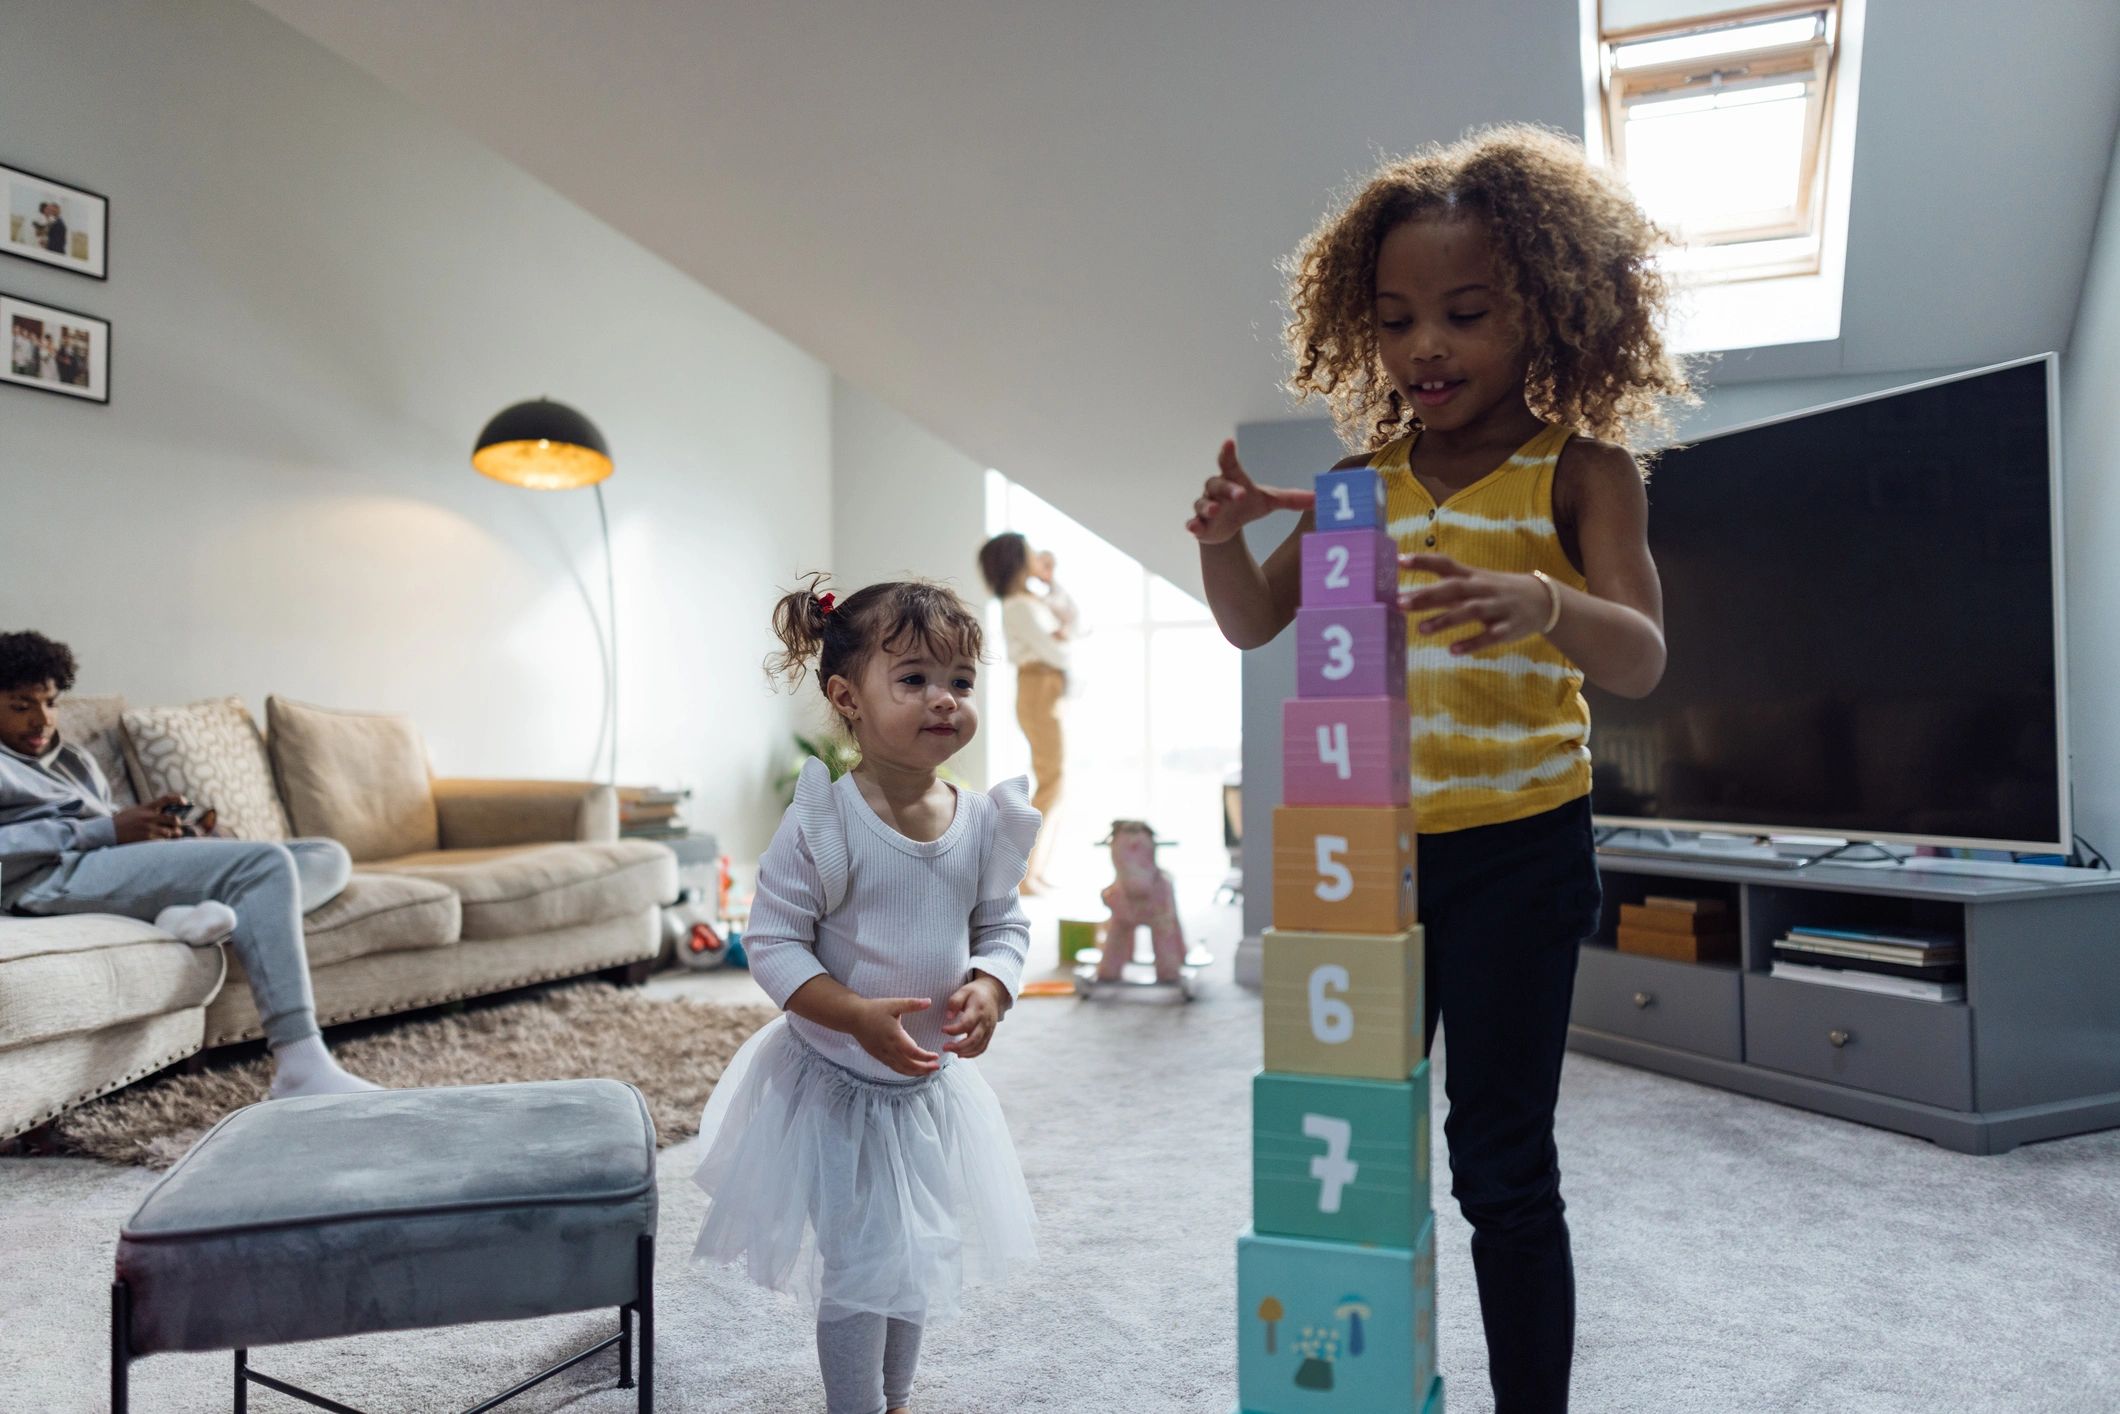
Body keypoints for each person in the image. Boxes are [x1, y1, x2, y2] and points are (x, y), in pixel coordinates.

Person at [1185, 125, 1689, 1414]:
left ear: (1544, 310)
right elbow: (1253, 625)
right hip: (1369, 858)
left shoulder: (1583, 472)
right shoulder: (1357, 483)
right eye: (1397, 318)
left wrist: (1538, 600)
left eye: (1462, 314)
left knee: (1499, 1163)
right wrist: (1221, 542)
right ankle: (1357, 1384)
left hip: (1521, 848)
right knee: (1356, 1157)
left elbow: (1636, 657)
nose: (1424, 347)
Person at [691, 577, 1040, 1414]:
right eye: (914, 679)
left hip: (926, 1086)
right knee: (859, 1263)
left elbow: (1005, 926)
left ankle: (897, 1396)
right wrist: (847, 1012)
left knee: (918, 1249)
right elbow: (771, 940)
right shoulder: (827, 822)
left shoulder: (981, 822)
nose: (944, 701)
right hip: (837, 1087)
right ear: (847, 697)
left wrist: (993, 986)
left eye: (960, 681)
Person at [0, 631, 378, 1099]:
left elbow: (108, 823)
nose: (42, 719)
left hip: (107, 861)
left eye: (52, 703)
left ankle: (199, 918)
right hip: (45, 880)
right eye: (22, 705)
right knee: (266, 865)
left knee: (326, 855)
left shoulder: (70, 759)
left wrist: (174, 834)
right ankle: (300, 1063)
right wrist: (106, 831)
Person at [975, 532, 1076, 893]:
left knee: (1055, 781)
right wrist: (1064, 643)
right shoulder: (1018, 605)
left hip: (1046, 686)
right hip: (1038, 686)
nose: (1039, 556)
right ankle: (1024, 873)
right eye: (1031, 553)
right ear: (1018, 560)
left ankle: (1034, 870)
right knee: (1053, 780)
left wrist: (1053, 584)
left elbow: (1076, 624)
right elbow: (1057, 651)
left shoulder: (1032, 599)